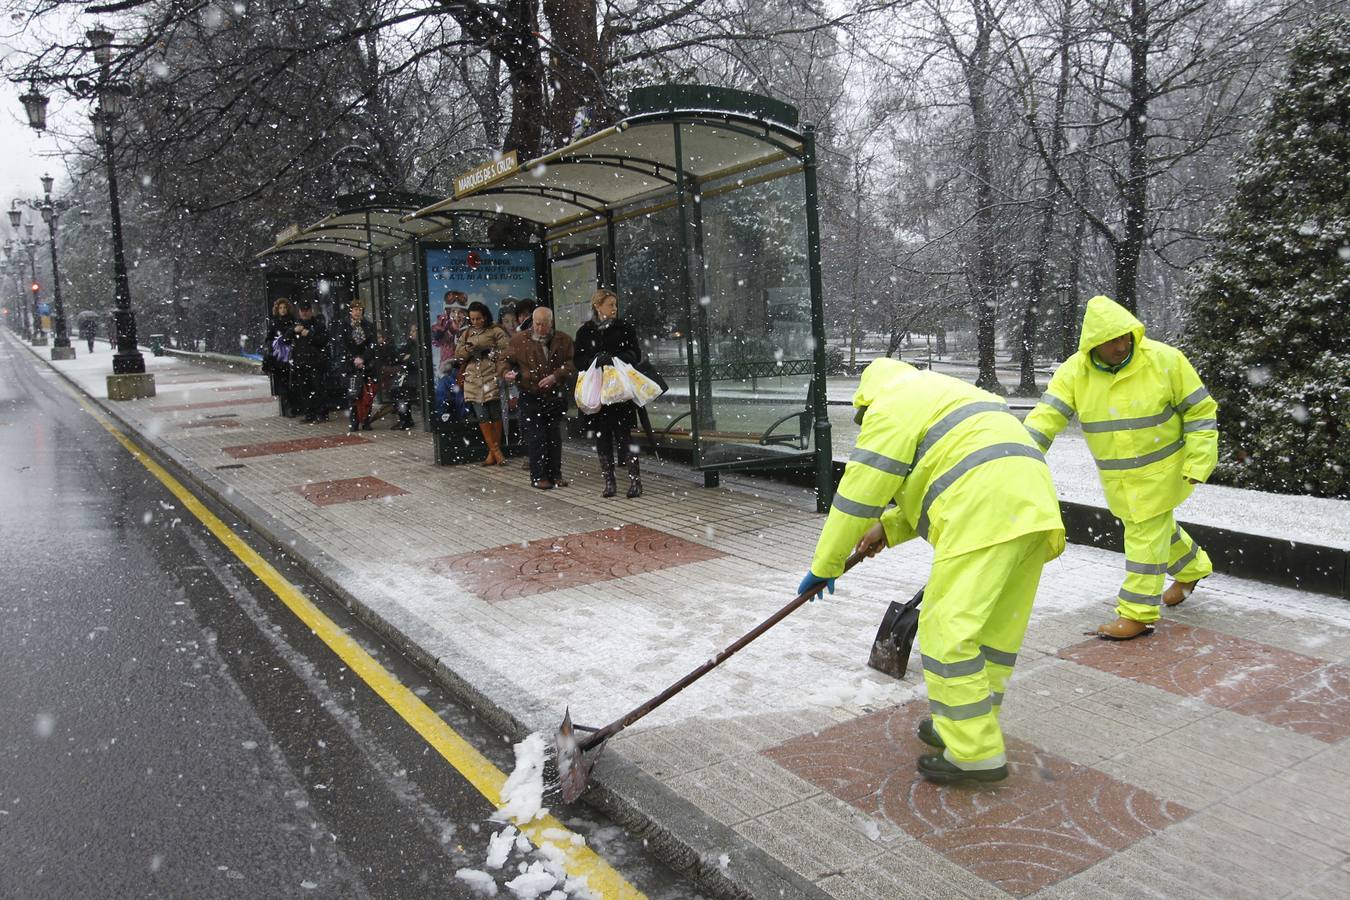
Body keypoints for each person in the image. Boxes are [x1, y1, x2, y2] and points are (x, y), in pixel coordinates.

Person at [801, 358, 1065, 785]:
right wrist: (886, 528)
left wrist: (825, 565)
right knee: (994, 634)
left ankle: (975, 754)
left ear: (868, 401)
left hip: (982, 513)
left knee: (946, 630)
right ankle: (963, 725)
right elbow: (943, 473)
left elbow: (859, 494)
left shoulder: (890, 407)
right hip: (1033, 510)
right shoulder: (948, 395)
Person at [1024, 294, 1218, 640]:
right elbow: (1047, 416)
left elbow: (1200, 411)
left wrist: (1199, 459)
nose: (1121, 345)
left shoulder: (1165, 361)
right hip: (1119, 477)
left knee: (1144, 534)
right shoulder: (1074, 372)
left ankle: (1137, 614)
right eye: (1111, 339)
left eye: (1125, 336)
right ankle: (1192, 568)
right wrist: (1017, 456)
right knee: (1152, 527)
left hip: (1165, 471)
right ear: (1093, 344)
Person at [574, 289, 643, 498]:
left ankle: (635, 481)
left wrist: (614, 359)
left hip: (620, 392)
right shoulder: (585, 332)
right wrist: (595, 360)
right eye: (610, 304)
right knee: (602, 437)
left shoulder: (624, 328)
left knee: (625, 436)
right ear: (597, 306)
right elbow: (578, 361)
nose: (614, 309)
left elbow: (635, 355)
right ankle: (609, 481)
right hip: (597, 394)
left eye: (615, 304)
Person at [501, 307, 575, 489]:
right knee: (536, 437)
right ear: (532, 322)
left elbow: (572, 363)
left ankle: (555, 474)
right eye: (537, 324)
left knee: (554, 436)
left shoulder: (563, 340)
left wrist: (556, 376)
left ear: (551, 322)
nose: (540, 328)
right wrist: (506, 373)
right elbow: (504, 360)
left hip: (554, 395)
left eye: (544, 324)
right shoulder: (520, 340)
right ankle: (538, 475)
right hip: (530, 393)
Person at [455, 301, 511, 464]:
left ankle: (493, 452)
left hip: (491, 375)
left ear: (485, 316)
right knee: (481, 415)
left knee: (495, 414)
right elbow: (458, 355)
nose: (475, 322)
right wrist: (468, 350)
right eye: (472, 319)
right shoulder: (466, 334)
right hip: (473, 378)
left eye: (478, 318)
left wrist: (491, 352)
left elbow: (506, 350)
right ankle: (495, 451)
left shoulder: (495, 331)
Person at [333, 299, 377, 431]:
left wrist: (363, 358)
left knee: (367, 394)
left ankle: (366, 420)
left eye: (360, 309)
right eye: (355, 309)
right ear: (351, 310)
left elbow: (372, 345)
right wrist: (354, 359)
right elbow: (342, 345)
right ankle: (354, 421)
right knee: (353, 394)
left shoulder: (368, 325)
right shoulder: (344, 326)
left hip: (366, 364)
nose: (358, 312)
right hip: (350, 365)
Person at [289, 300, 329, 423]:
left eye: (307, 310)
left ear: (311, 311)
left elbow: (323, 340)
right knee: (305, 389)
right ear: (299, 312)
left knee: (318, 388)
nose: (304, 313)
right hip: (301, 363)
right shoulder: (296, 325)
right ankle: (309, 413)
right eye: (302, 310)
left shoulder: (318, 324)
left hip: (315, 362)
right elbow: (285, 338)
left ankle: (321, 413)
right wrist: (293, 331)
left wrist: (310, 334)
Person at [263, 298, 295, 416]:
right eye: (280, 308)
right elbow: (270, 339)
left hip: (291, 355)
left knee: (290, 382)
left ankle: (291, 406)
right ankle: (287, 407)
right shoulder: (275, 323)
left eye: (284, 308)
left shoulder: (292, 321)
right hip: (280, 357)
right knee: (283, 383)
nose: (282, 310)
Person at [390, 322, 420, 431]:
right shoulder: (410, 343)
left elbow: (414, 361)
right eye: (411, 331)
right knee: (397, 391)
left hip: (416, 375)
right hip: (408, 374)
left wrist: (408, 359)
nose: (411, 333)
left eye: (414, 331)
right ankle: (406, 418)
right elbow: (400, 357)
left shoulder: (420, 345)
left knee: (401, 392)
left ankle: (405, 420)